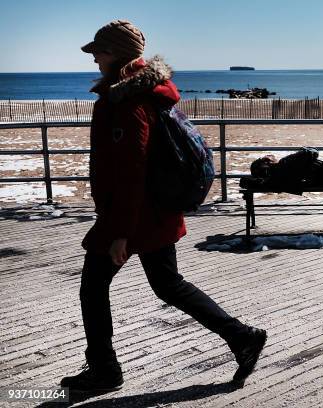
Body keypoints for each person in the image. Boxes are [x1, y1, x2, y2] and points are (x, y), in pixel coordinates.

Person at [61, 20, 266, 392]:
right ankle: (242, 337)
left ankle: (105, 371)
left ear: (117, 54)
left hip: (132, 215)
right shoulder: (151, 93)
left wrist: (121, 232)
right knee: (168, 284)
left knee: (93, 287)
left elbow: (130, 169)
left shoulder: (125, 102)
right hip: (154, 210)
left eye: (99, 51)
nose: (94, 58)